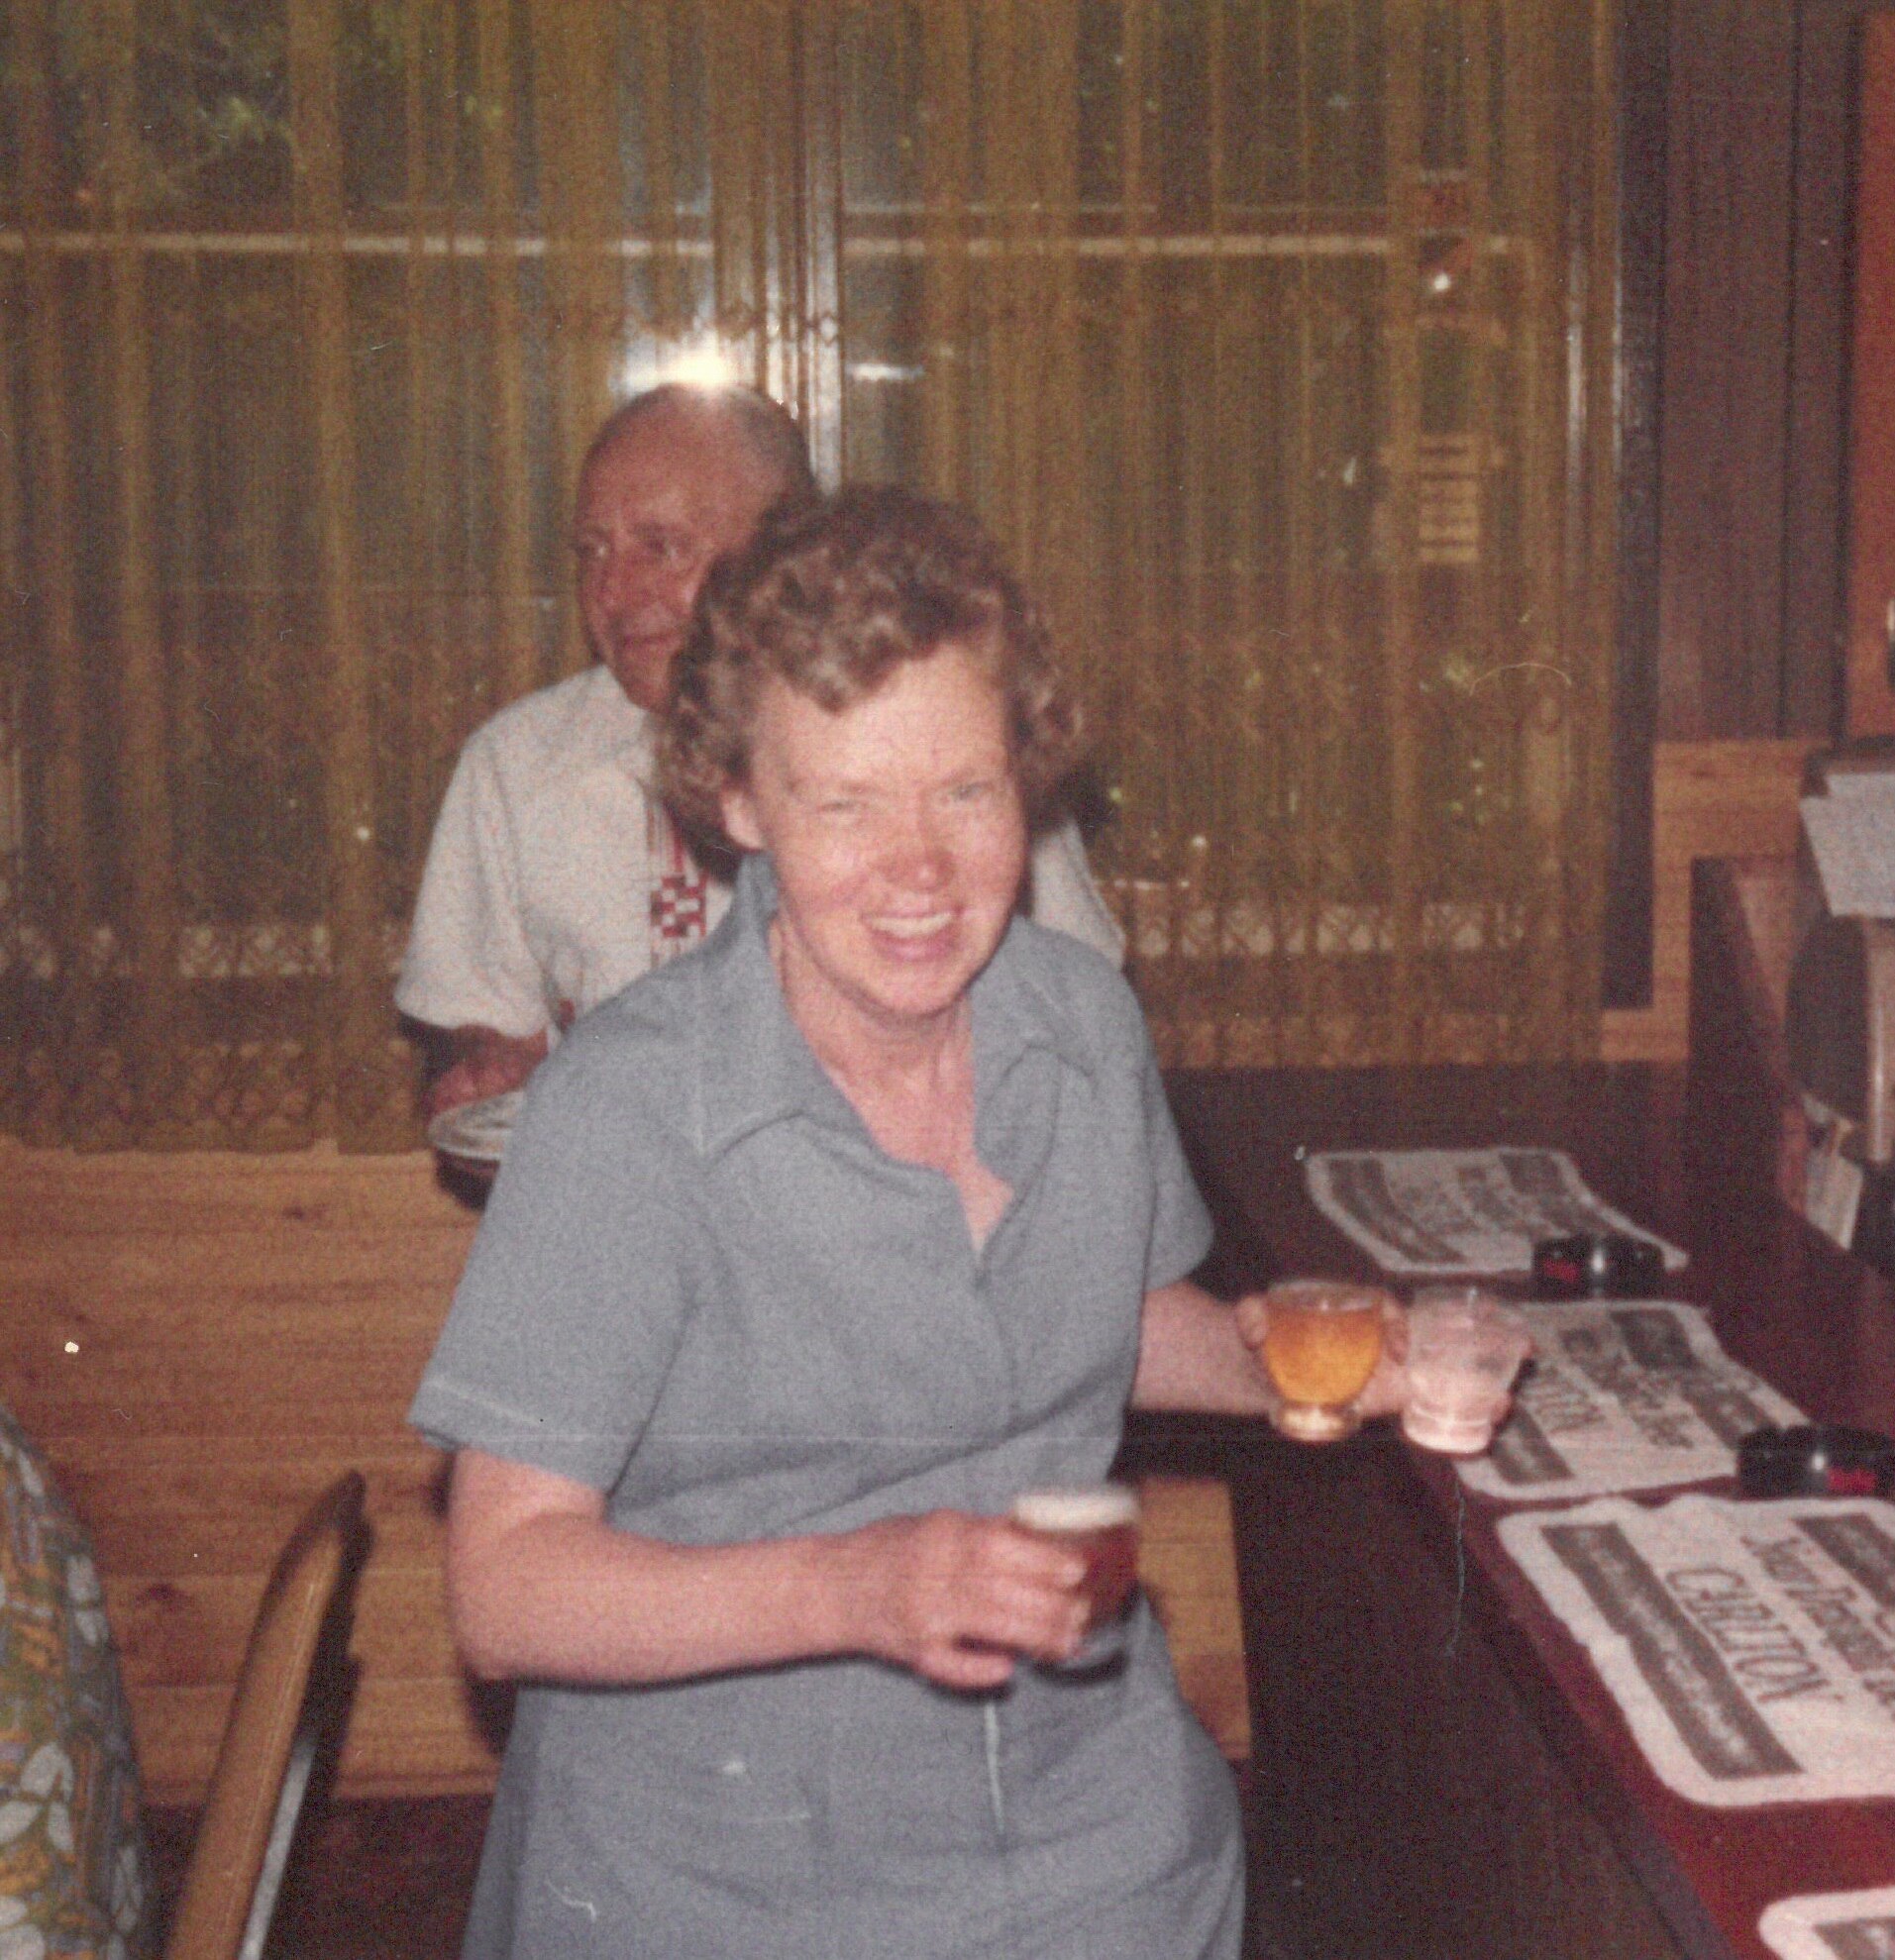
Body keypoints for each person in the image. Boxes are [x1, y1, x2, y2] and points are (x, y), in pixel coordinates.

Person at [409, 486, 1394, 1958]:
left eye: (964, 791)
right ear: (741, 805)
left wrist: (1307, 1361)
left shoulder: (1080, 1023)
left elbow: (1096, 1319)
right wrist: (862, 1581)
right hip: (724, 1893)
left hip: (1098, 1855)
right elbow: (503, 1583)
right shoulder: (630, 1109)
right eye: (846, 802)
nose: (919, 867)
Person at [396, 384, 1125, 1118]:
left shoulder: (946, 743)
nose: (613, 590)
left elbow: (1077, 1025)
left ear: (778, 548)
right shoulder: (515, 766)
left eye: (661, 546)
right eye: (593, 551)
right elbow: (481, 1031)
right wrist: (491, 1069)